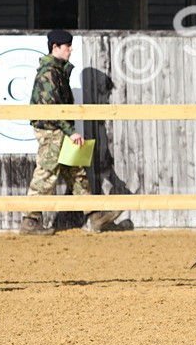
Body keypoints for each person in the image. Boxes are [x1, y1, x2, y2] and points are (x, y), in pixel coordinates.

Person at [20, 28, 122, 235]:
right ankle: (30, 221)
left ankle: (94, 217)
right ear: (55, 47)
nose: (70, 49)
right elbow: (51, 109)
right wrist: (70, 131)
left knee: (75, 173)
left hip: (59, 130)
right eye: (67, 46)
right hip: (51, 130)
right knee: (46, 173)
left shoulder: (57, 71)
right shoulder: (49, 73)